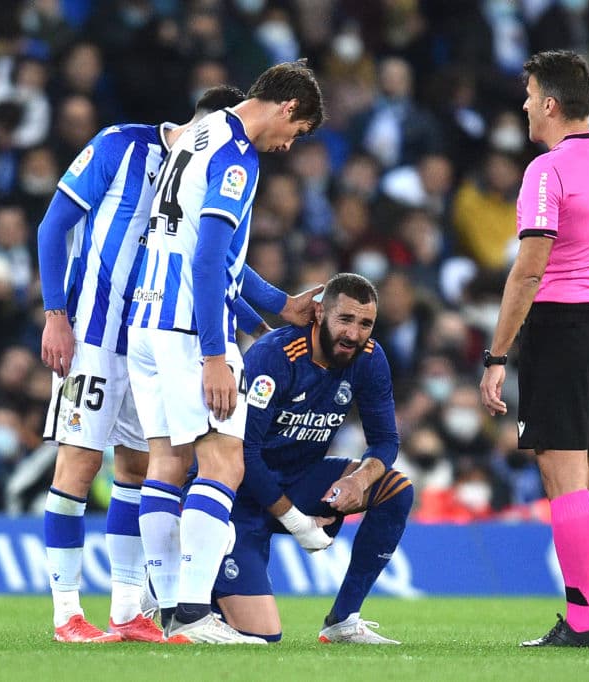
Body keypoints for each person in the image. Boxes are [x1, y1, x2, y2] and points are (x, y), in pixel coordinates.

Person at [37, 85, 250, 644]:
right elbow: (51, 226)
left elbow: (219, 262)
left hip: (150, 340)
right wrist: (55, 312)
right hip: (92, 332)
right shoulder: (120, 144)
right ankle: (65, 616)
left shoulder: (194, 172)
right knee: (78, 469)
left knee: (136, 471)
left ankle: (129, 609)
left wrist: (277, 308)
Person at [125, 60, 326, 644]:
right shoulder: (239, 156)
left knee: (167, 462)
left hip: (148, 316)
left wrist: (279, 304)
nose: (291, 144)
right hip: (189, 328)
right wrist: (217, 352)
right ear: (287, 107)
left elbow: (210, 250)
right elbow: (209, 257)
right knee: (224, 462)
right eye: (299, 130)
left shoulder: (203, 130)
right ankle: (192, 614)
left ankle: (167, 609)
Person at [479, 50, 589, 649]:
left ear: (550, 103)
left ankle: (580, 622)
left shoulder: (546, 172)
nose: (523, 105)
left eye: (528, 95)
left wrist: (497, 355)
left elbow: (528, 272)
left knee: (563, 478)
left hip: (561, 326)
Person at [211, 273, 410, 644]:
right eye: (345, 320)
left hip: (300, 481)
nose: (354, 333)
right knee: (263, 635)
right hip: (239, 496)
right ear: (319, 314)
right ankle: (182, 582)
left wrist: (359, 479)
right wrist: (299, 524)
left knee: (395, 488)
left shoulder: (369, 358)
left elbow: (385, 441)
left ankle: (342, 621)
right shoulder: (275, 356)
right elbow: (244, 453)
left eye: (365, 323)